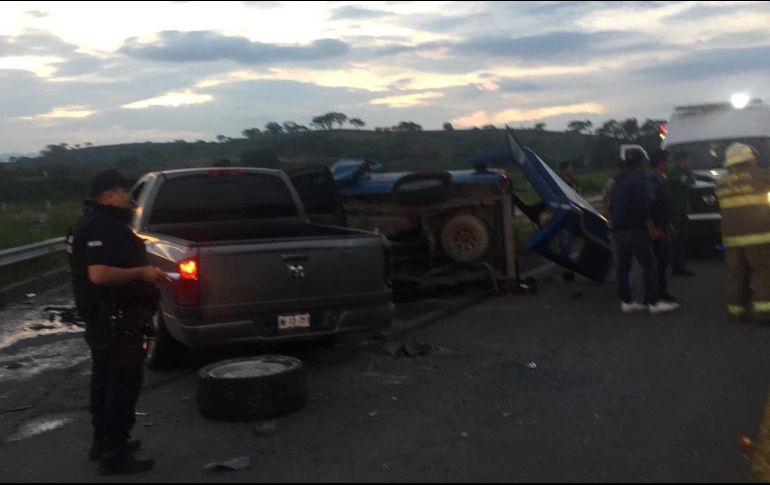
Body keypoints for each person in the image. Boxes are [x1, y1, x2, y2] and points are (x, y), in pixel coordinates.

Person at [67, 170, 169, 475]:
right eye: (124, 191)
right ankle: (115, 452)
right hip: (116, 319)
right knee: (122, 385)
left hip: (104, 318)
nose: (129, 197)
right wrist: (142, 274)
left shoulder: (93, 223)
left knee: (104, 380)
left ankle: (103, 442)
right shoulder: (101, 227)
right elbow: (98, 275)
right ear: (108, 195)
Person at [610, 150, 679, 315]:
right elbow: (643, 206)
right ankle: (652, 303)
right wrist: (652, 227)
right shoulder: (638, 180)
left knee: (623, 267)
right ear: (641, 162)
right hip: (635, 229)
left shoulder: (618, 179)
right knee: (650, 264)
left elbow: (612, 204)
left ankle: (627, 302)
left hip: (619, 229)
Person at [716, 143, 770, 322]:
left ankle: (736, 310)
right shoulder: (761, 175)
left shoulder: (722, 182)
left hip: (731, 237)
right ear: (749, 160)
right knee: (764, 271)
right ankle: (764, 311)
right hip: (759, 235)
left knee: (737, 273)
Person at [647, 149, 677, 303]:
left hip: (663, 227)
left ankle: (661, 290)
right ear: (661, 163)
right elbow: (648, 204)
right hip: (657, 230)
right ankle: (657, 293)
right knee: (658, 262)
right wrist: (653, 227)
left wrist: (668, 224)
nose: (669, 164)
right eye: (667, 161)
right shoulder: (653, 180)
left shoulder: (661, 179)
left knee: (663, 261)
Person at [668, 151, 696, 276]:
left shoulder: (679, 172)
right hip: (676, 210)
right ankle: (677, 266)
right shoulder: (676, 172)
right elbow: (691, 183)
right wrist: (689, 173)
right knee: (677, 239)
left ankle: (679, 266)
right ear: (681, 160)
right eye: (686, 160)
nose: (688, 163)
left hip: (681, 209)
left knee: (682, 239)